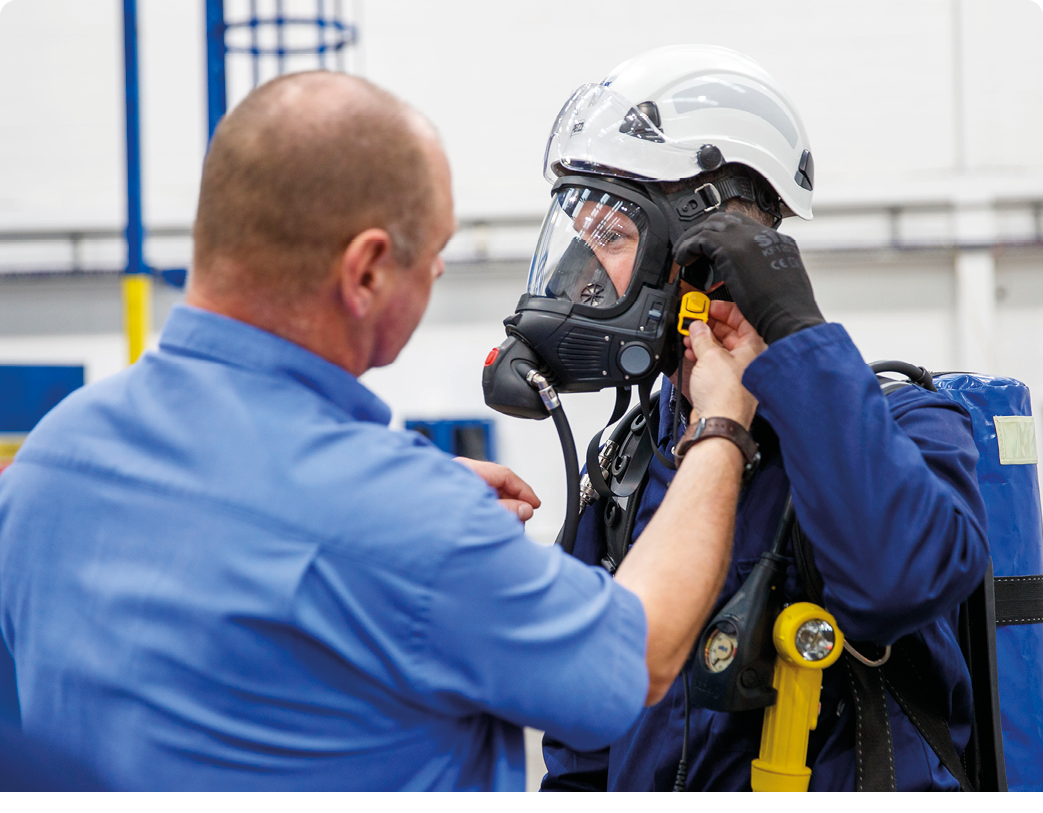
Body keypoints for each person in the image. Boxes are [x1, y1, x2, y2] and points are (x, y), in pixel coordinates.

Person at [0, 71, 760, 791]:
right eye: (430, 257)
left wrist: (414, 515)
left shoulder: (52, 457)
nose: (432, 277)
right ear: (365, 270)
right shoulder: (406, 522)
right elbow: (642, 656)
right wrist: (720, 424)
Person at [524, 46, 990, 791]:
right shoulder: (628, 463)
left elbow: (897, 582)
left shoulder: (914, 425)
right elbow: (586, 727)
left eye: (609, 237)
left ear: (701, 254)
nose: (581, 272)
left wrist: (795, 339)